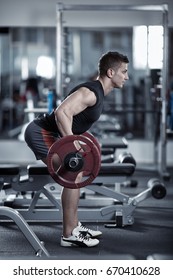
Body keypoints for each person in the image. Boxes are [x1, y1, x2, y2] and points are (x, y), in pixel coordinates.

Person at [24, 51, 129, 247]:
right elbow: (62, 112)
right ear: (110, 72)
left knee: (77, 173)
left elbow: (73, 120)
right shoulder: (91, 92)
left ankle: (74, 226)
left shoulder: (98, 92)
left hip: (51, 134)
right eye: (123, 72)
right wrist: (71, 142)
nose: (127, 76)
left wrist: (82, 140)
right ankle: (68, 234)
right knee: (73, 172)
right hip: (41, 133)